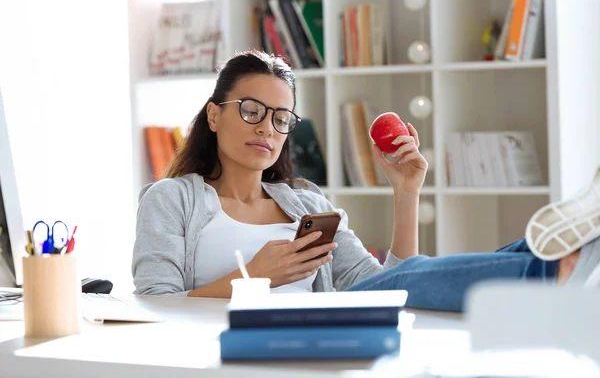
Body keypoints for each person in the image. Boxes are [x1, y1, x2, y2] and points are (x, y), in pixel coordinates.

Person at [132, 50, 600, 312]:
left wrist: (406, 193)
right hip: (268, 331)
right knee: (415, 281)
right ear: (214, 115)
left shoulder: (303, 200)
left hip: (322, 325)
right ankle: (548, 269)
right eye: (251, 111)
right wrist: (255, 277)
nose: (265, 128)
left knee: (408, 282)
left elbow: (390, 285)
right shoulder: (171, 199)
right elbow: (155, 303)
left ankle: (555, 254)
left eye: (280, 118)